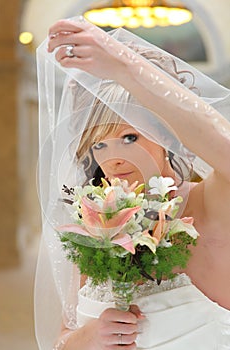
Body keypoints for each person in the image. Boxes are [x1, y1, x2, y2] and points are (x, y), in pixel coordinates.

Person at [35, 17, 230, 350]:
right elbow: (62, 342)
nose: (112, 160)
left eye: (129, 137)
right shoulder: (95, 229)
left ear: (169, 136)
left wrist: (125, 66)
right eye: (98, 145)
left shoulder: (211, 206)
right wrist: (90, 336)